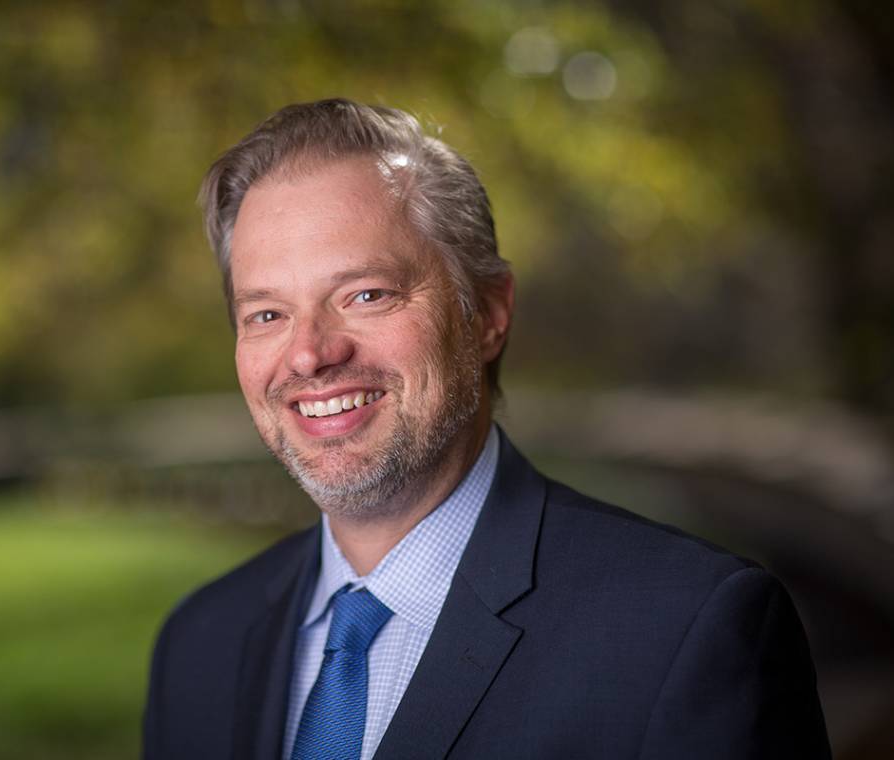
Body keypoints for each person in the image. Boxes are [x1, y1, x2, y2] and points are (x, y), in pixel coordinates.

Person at [142, 98, 830, 759]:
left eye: (366, 294)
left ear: (488, 313)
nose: (310, 354)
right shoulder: (199, 645)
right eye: (266, 314)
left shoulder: (683, 631)